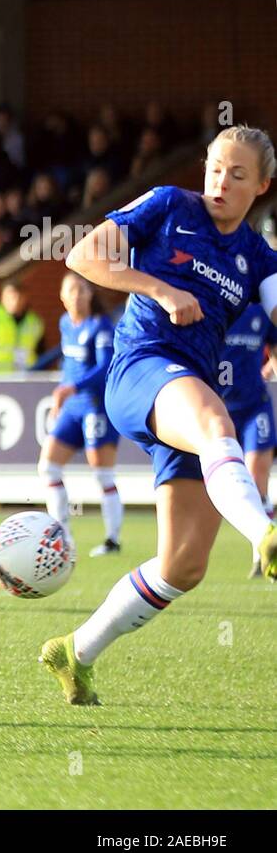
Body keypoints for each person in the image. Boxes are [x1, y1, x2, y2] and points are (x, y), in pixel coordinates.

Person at [41, 126, 277, 706]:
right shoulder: (170, 205)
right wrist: (158, 289)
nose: (221, 181)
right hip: (141, 368)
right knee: (217, 423)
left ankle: (76, 651)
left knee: (183, 566)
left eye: (238, 174)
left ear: (263, 186)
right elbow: (82, 254)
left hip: (184, 395)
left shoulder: (258, 258)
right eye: (216, 167)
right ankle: (266, 533)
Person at [37, 272, 123, 557]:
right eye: (71, 290)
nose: (76, 295)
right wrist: (64, 392)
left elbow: (105, 367)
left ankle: (112, 540)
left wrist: (71, 387)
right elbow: (69, 367)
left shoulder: (101, 327)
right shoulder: (65, 324)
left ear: (90, 294)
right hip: (72, 407)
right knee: (48, 467)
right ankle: (62, 537)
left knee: (102, 473)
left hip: (95, 405)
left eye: (81, 289)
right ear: (62, 296)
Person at [219, 301, 277, 576]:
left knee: (257, 478)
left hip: (256, 407)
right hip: (219, 409)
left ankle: (261, 556)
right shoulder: (218, 306)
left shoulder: (264, 310)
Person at [0, 280, 44, 372]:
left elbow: (41, 352)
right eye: (12, 297)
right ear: (3, 297)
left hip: (25, 378)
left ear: (25, 298)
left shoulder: (35, 322)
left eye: (19, 297)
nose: (15, 301)